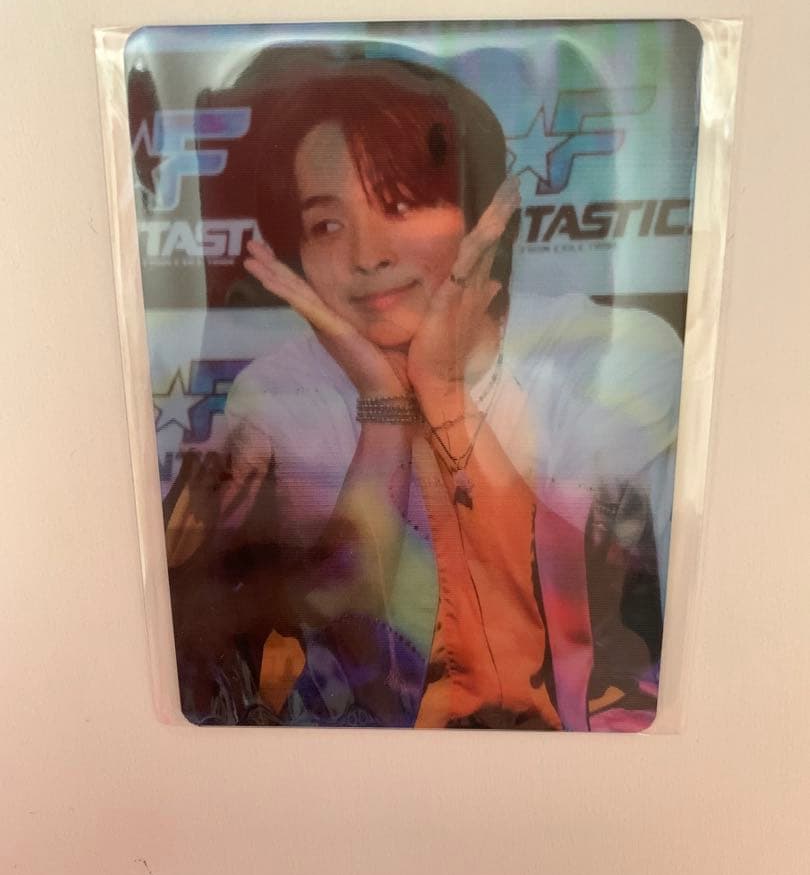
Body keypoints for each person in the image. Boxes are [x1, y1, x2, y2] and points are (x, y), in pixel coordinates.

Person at [164, 50, 681, 731]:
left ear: (484, 206)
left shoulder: (612, 356)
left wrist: (441, 392)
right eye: (326, 225)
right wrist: (384, 413)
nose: (367, 256)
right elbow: (357, 654)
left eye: (401, 204)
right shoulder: (277, 395)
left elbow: (557, 632)